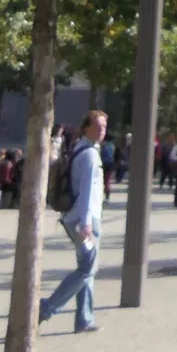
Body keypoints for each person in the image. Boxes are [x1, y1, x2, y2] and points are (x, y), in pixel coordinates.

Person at [40, 110, 106, 334]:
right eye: (97, 126)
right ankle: (46, 308)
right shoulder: (89, 155)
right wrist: (87, 223)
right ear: (86, 127)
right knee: (88, 269)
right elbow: (87, 191)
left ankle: (84, 319)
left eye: (104, 127)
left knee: (86, 268)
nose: (101, 131)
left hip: (75, 217)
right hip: (83, 218)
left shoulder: (81, 148)